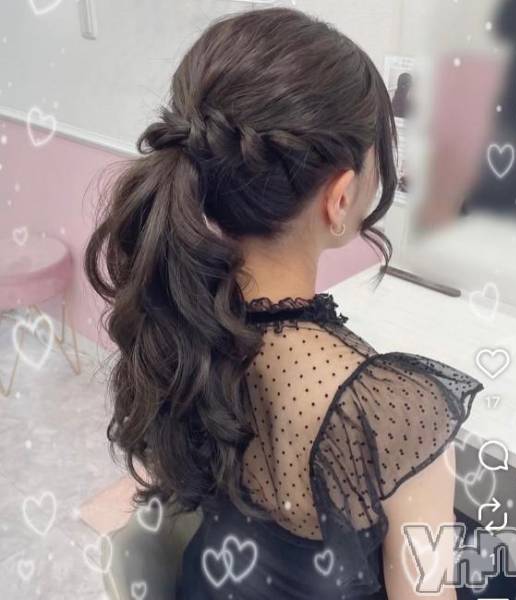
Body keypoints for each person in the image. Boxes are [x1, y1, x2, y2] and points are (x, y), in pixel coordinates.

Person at [84, 7, 485, 599]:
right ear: (340, 197)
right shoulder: (393, 411)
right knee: (491, 560)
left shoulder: (178, 319)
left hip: (214, 581)